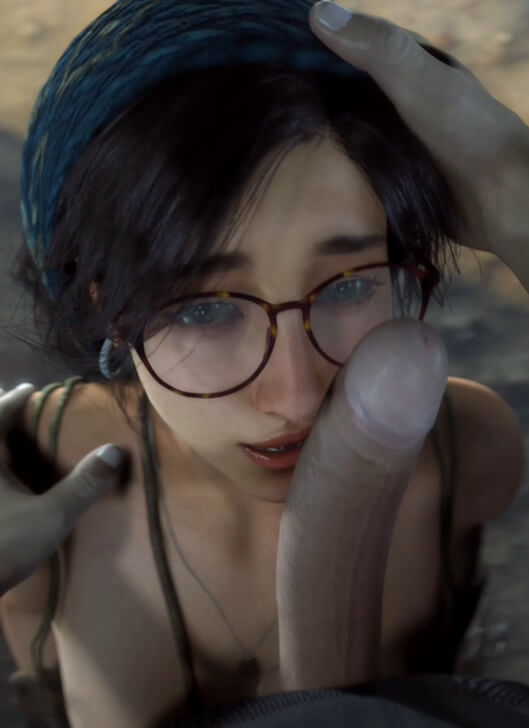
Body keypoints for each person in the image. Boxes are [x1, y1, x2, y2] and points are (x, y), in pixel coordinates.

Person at [0, 0, 527, 726]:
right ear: (105, 305)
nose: (296, 396)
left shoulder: (473, 451)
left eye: (348, 286)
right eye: (203, 310)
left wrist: (514, 196)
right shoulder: (27, 489)